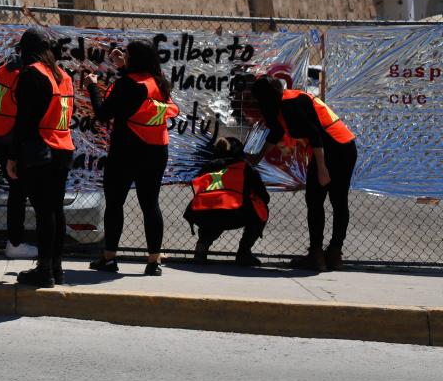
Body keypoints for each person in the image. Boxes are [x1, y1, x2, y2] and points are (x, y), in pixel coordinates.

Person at [82, 40, 179, 276]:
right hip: (156, 150)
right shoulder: (160, 83)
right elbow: (137, 92)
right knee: (150, 204)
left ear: (134, 58)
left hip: (126, 151)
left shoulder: (127, 85)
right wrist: (123, 66)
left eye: (126, 54)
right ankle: (153, 261)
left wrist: (92, 87)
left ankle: (109, 258)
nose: (123, 56)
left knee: (115, 203)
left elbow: (103, 114)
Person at [247, 74, 358, 271]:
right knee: (321, 201)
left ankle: (326, 254)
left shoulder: (291, 104)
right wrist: (258, 157)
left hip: (336, 147)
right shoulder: (280, 105)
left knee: (325, 200)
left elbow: (315, 135)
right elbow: (277, 133)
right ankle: (324, 255)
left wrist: (322, 169)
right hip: (339, 146)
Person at [5, 29, 76, 288]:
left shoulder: (31, 74)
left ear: (26, 49)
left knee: (44, 211)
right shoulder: (63, 76)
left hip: (40, 149)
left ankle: (44, 270)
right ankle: (56, 267)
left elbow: (24, 120)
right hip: (63, 147)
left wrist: (13, 156)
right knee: (56, 209)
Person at [185, 137, 269, 267]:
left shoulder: (208, 166)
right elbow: (265, 196)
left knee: (212, 207)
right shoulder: (245, 168)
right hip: (235, 214)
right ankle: (243, 252)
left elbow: (197, 190)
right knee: (261, 208)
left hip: (203, 215)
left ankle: (202, 248)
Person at [0, 48, 35, 260]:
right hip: (10, 135)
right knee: (19, 190)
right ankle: (15, 242)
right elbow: (26, 112)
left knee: (18, 190)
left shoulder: (4, 71)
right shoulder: (21, 76)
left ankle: (15, 241)